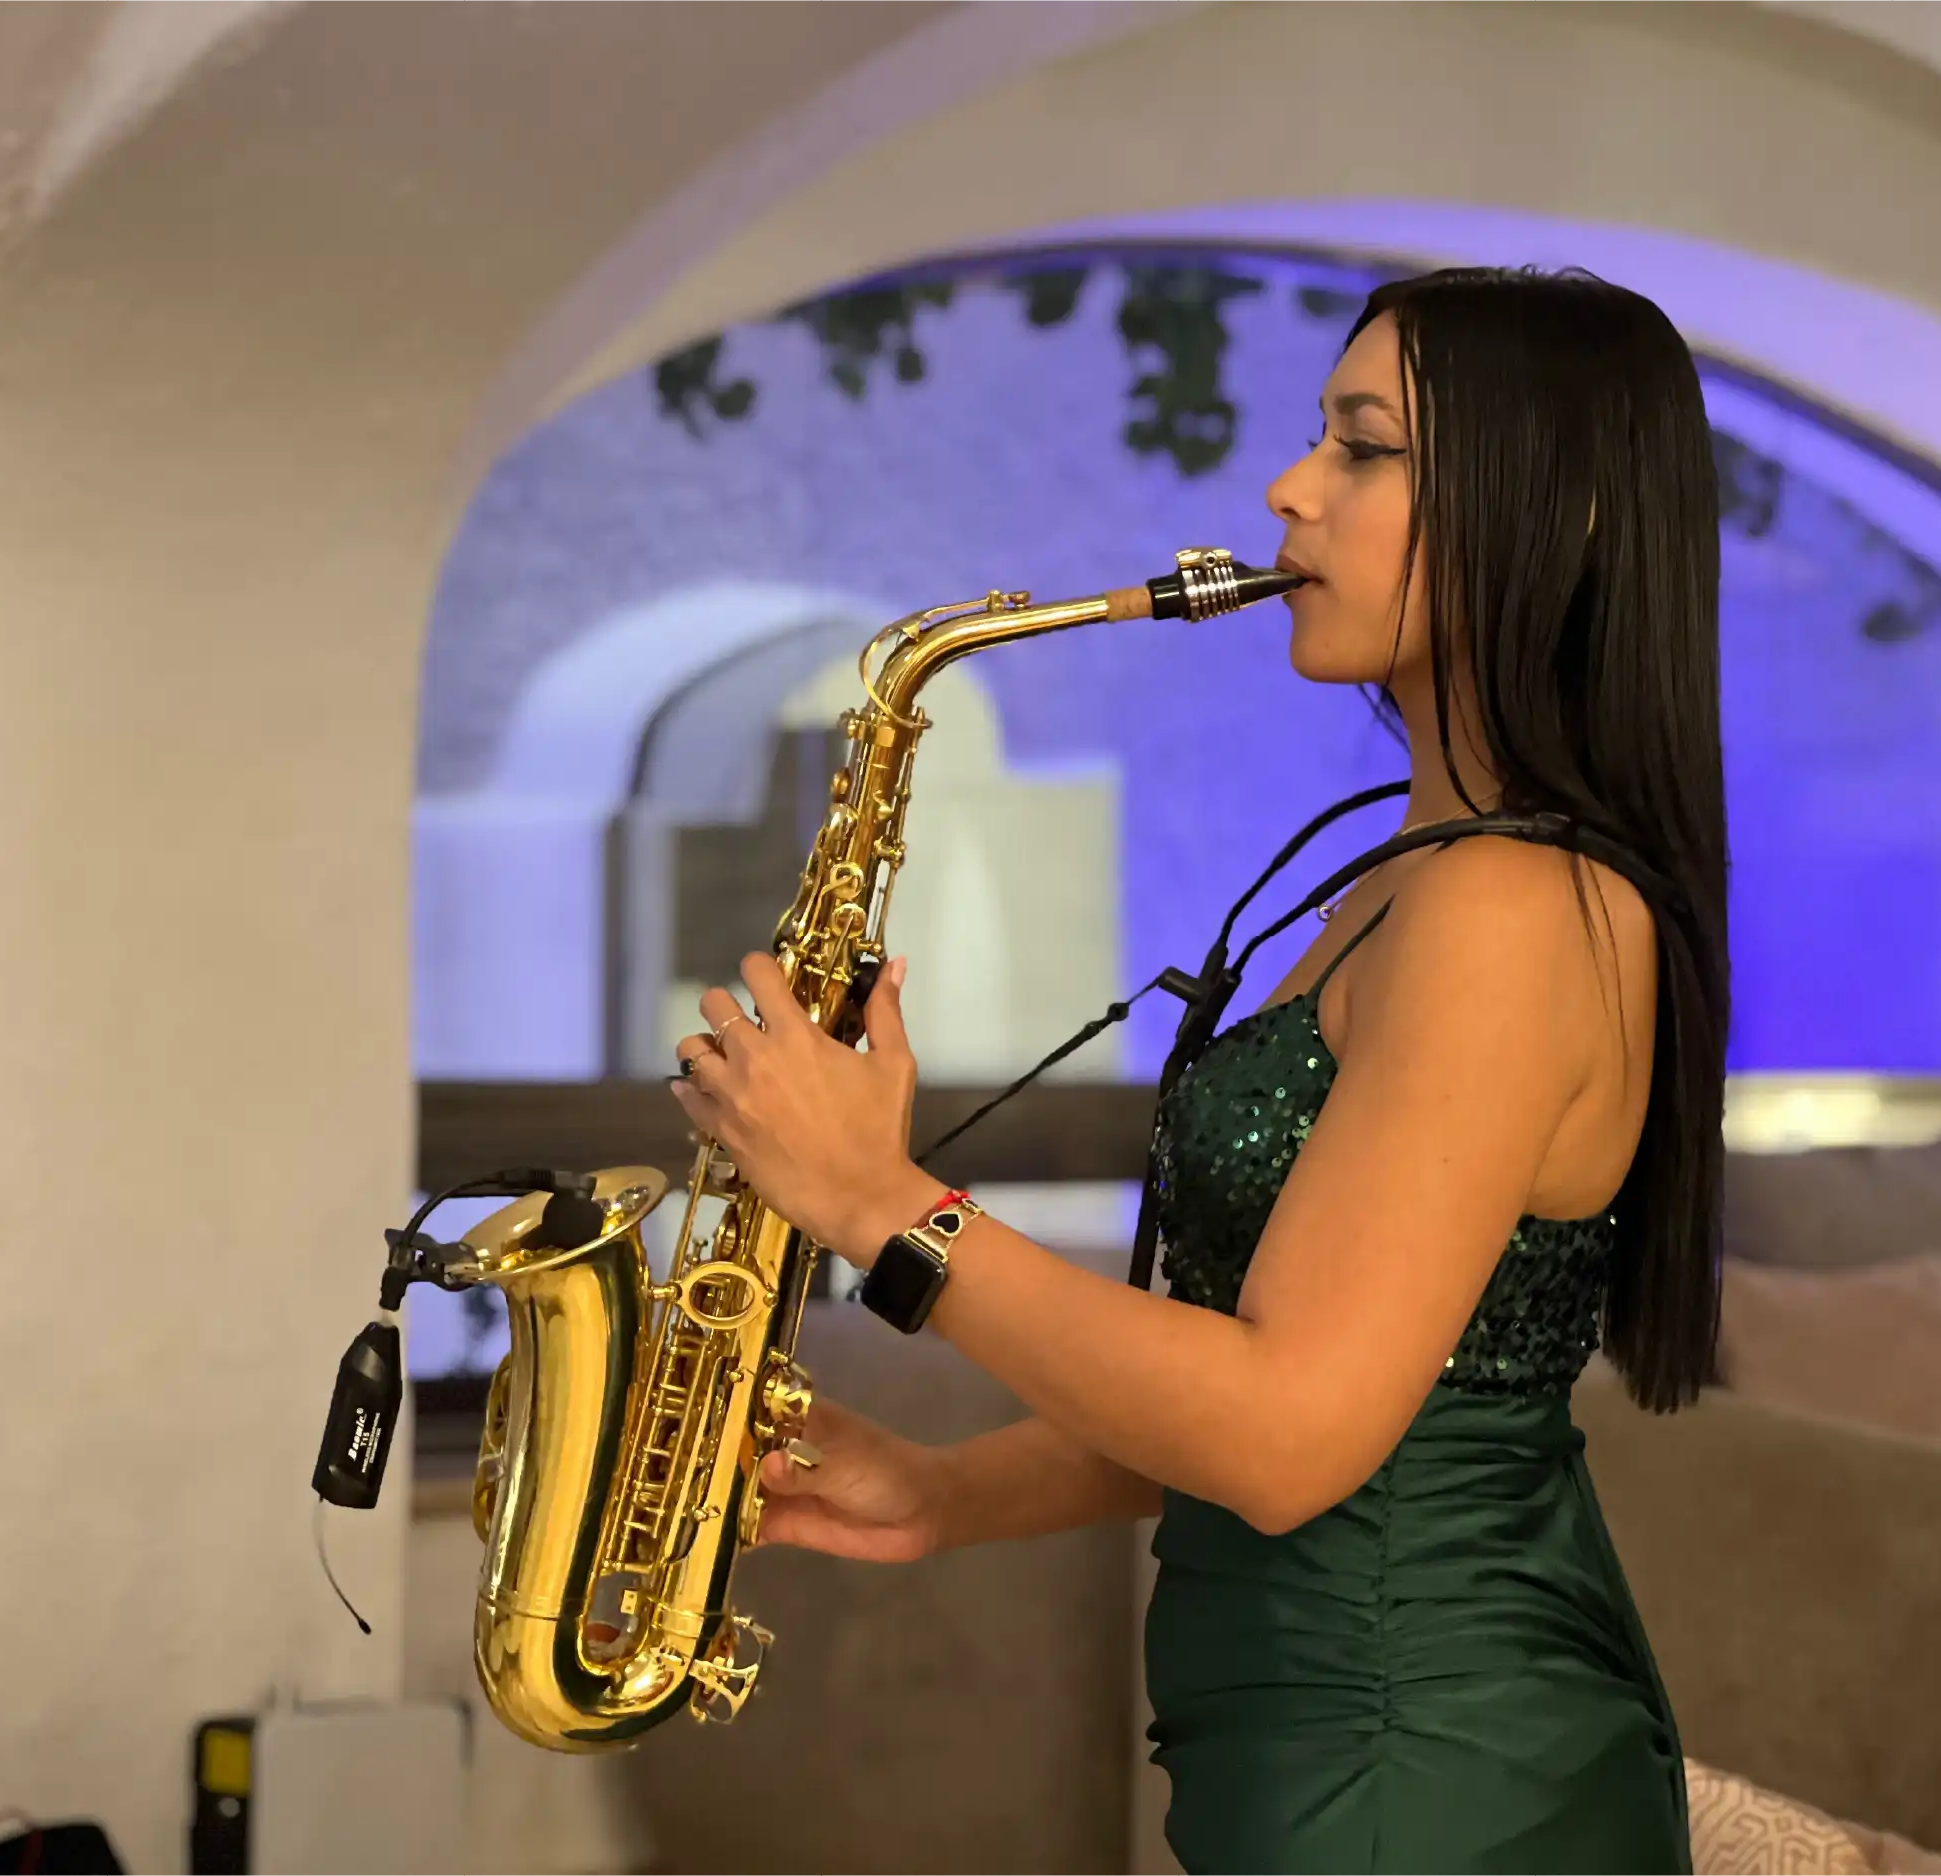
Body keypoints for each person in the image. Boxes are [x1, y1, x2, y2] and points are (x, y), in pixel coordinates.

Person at [668, 265, 1729, 1875]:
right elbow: (1323, 1375)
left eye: (1362, 448)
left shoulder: (1508, 910)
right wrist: (949, 1494)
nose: (1289, 488)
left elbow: (1288, 1433)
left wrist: (881, 1205)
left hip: (1428, 1782)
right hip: (1363, 1766)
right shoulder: (1420, 878)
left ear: (1551, 514)